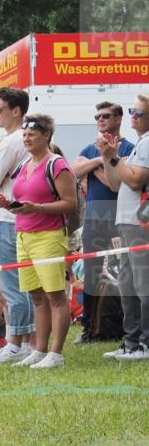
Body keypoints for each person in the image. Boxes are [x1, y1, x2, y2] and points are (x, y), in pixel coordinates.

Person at [0, 114, 77, 368]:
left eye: (32, 134)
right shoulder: (24, 165)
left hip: (48, 236)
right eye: (25, 135)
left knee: (55, 296)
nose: (27, 138)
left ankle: (56, 353)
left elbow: (70, 203)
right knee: (37, 297)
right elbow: (25, 202)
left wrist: (37, 208)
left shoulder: (57, 164)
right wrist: (8, 204)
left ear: (46, 136)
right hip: (23, 235)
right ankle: (39, 350)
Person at [0, 87, 37, 364]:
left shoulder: (11, 142)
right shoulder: (23, 140)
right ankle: (27, 343)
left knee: (11, 288)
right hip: (17, 218)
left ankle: (16, 344)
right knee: (23, 286)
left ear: (16, 111)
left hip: (4, 220)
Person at [72, 101, 136, 344]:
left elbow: (115, 184)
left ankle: (128, 327)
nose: (100, 120)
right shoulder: (91, 147)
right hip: (94, 219)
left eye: (106, 116)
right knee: (92, 274)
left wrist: (92, 167)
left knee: (126, 274)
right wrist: (102, 160)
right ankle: (89, 329)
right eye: (97, 116)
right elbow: (73, 170)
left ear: (118, 119)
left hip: (121, 219)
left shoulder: (130, 148)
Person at [98, 94, 149, 361]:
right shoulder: (140, 142)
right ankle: (132, 342)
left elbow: (136, 180)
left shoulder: (148, 142)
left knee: (142, 285)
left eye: (139, 113)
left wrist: (115, 158)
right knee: (128, 284)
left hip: (140, 222)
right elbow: (115, 184)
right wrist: (109, 157)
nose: (133, 117)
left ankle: (144, 343)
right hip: (129, 221)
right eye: (132, 111)